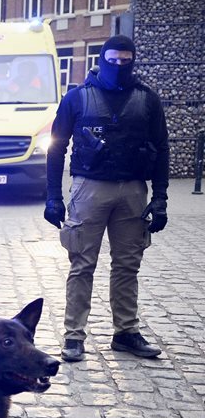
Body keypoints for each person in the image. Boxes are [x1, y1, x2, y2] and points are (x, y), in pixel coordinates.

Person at [44, 34, 169, 363]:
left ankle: (126, 332)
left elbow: (162, 150)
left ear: (133, 60)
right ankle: (73, 336)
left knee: (128, 265)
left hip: (133, 190)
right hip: (89, 189)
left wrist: (161, 199)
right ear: (101, 59)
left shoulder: (148, 100)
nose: (119, 66)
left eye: (126, 61)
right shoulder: (77, 99)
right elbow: (56, 148)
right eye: (112, 60)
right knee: (82, 265)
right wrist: (53, 197)